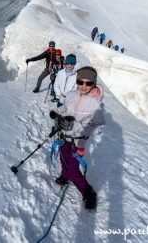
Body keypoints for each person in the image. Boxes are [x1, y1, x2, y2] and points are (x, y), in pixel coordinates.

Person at [49, 66, 104, 210]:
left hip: (78, 141)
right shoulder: (72, 94)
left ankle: (88, 192)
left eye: (88, 83)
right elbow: (65, 108)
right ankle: (65, 175)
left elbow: (99, 127)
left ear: (93, 83)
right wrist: (56, 112)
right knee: (63, 157)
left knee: (74, 169)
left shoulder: (95, 104)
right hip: (63, 136)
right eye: (81, 82)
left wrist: (75, 126)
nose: (84, 86)